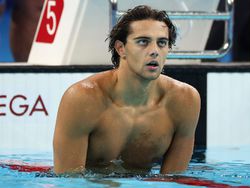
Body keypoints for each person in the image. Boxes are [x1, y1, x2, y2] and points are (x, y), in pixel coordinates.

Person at [53, 5, 201, 175]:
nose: (154, 51)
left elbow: (173, 181)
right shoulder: (83, 99)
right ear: (120, 48)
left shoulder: (185, 100)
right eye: (143, 42)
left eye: (162, 43)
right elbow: (69, 181)